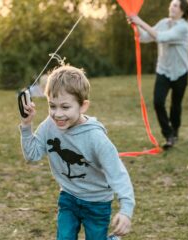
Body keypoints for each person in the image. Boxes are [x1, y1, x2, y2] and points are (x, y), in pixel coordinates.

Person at [19, 65, 135, 240]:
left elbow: (117, 173)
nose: (57, 114)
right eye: (52, 106)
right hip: (69, 197)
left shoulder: (96, 138)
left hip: (97, 202)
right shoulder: (50, 125)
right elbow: (32, 155)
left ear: (83, 106)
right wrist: (27, 126)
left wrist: (126, 210)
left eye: (65, 107)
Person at [128, 0, 188, 149]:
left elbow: (161, 37)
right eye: (171, 4)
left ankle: (174, 131)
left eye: (175, 5)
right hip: (163, 70)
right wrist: (135, 25)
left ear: (182, 10)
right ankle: (168, 135)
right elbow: (145, 37)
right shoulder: (163, 22)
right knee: (158, 102)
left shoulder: (183, 27)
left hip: (180, 72)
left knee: (176, 106)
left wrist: (139, 20)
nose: (172, 7)